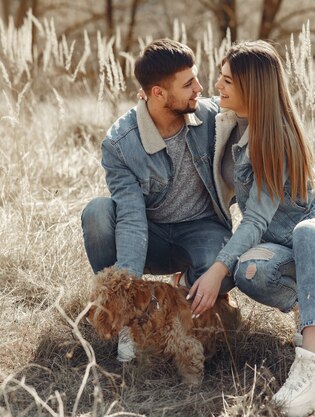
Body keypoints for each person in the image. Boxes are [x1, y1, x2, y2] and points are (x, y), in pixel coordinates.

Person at [186, 40, 315, 417]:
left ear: (254, 88)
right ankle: (312, 306)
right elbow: (177, 104)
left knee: (306, 233)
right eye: (219, 78)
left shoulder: (275, 139)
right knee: (249, 270)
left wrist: (217, 270)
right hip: (281, 248)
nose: (217, 86)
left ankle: (312, 366)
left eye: (227, 81)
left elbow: (255, 221)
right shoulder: (227, 121)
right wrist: (144, 100)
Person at [81, 39, 235, 362]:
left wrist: (307, 171)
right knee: (97, 214)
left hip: (200, 229)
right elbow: (132, 219)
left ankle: (186, 298)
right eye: (188, 83)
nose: (200, 87)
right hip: (151, 235)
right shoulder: (120, 144)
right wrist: (129, 294)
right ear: (158, 94)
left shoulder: (211, 116)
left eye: (195, 78)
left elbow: (262, 132)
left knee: (223, 262)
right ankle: (125, 317)